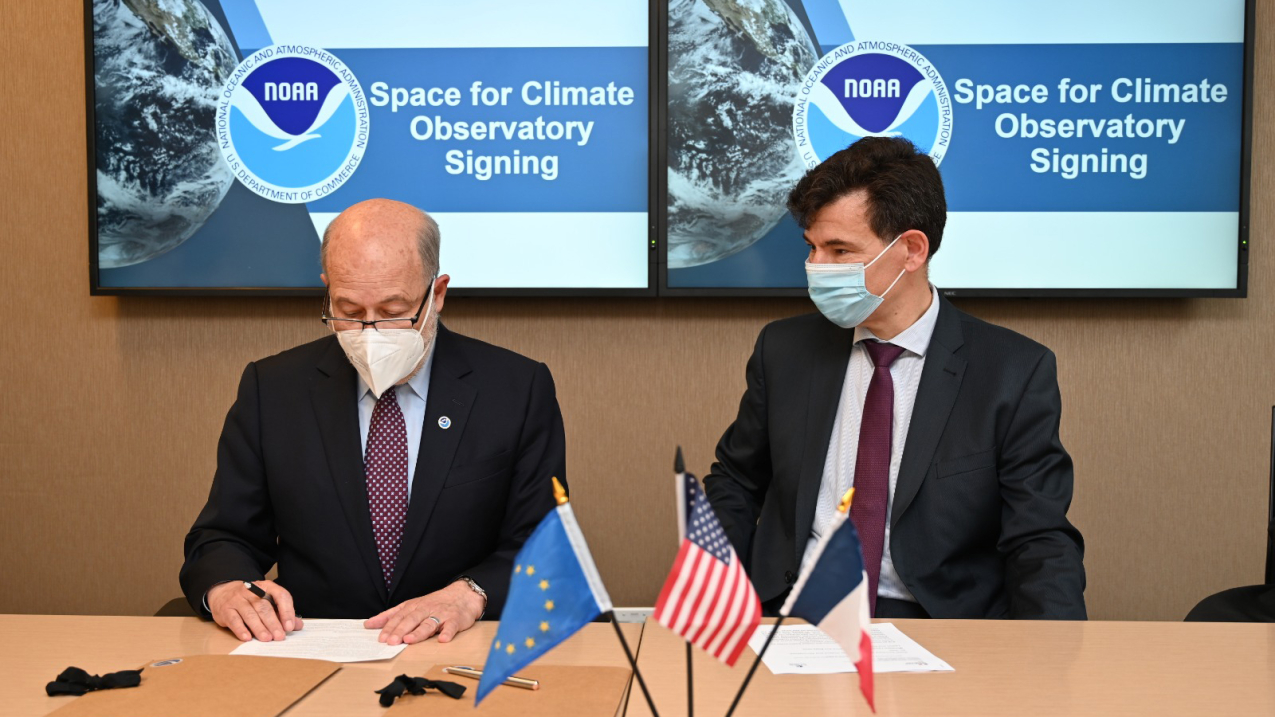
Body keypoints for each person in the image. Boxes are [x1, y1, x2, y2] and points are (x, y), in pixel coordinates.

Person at [703, 137, 1086, 619]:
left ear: (911, 250)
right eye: (812, 248)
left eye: (840, 250)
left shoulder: (1012, 371)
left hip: (936, 620)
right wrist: (714, 590)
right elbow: (736, 481)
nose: (816, 268)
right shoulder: (783, 350)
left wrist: (1056, 651)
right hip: (795, 610)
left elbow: (1038, 536)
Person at [180, 199, 565, 644]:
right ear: (327, 291)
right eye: (349, 311)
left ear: (437, 294)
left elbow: (544, 545)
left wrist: (470, 594)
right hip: (314, 646)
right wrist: (226, 588)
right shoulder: (273, 389)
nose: (370, 332)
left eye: (393, 311)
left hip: (457, 648)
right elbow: (223, 536)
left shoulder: (516, 389)